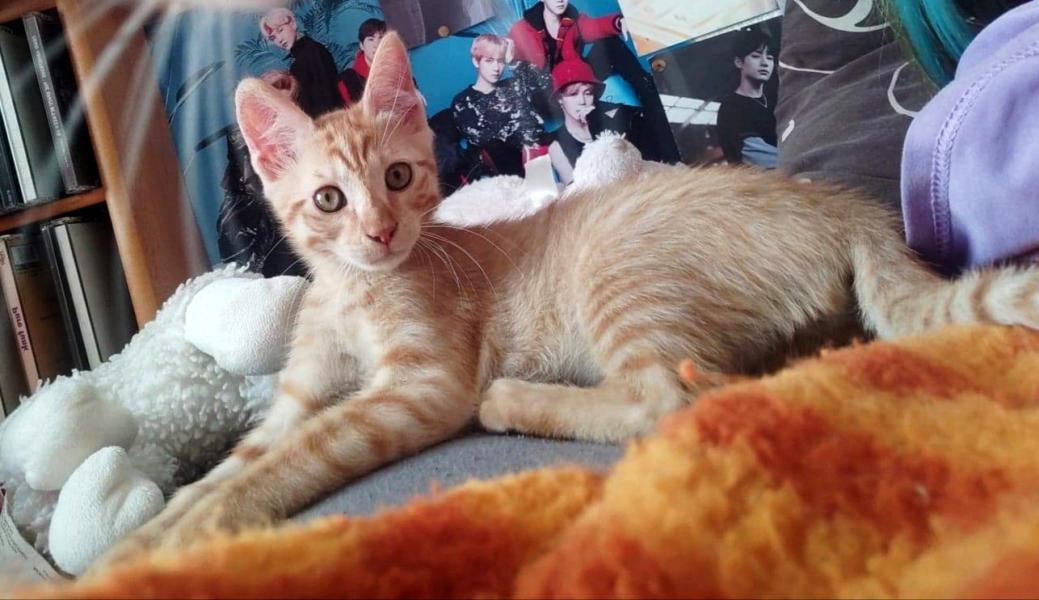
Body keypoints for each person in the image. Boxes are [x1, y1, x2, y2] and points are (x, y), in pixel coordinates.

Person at [508, 0, 679, 163]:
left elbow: (595, 26)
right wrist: (508, 57)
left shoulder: (573, 18)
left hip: (576, 75)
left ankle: (645, 85)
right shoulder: (523, 29)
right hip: (550, 88)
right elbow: (507, 50)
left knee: (609, 42)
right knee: (520, 86)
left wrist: (618, 22)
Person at [217, 70, 306, 278]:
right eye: (274, 89)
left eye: (284, 88)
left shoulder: (303, 132)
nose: (281, 95)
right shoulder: (244, 143)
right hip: (259, 221)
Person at [450, 34, 551, 176]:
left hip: (539, 154)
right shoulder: (462, 101)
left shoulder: (515, 85)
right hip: (506, 167)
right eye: (489, 61)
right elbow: (483, 138)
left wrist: (513, 61)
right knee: (495, 147)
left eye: (501, 61)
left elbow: (546, 83)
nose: (496, 68)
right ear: (476, 62)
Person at [260, 7, 342, 118]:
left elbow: (327, 95)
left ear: (293, 23)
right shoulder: (302, 58)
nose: (279, 40)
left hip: (326, 121)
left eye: (280, 30)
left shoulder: (313, 51)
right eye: (273, 38)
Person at [715, 28, 778, 168]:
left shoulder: (774, 100)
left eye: (770, 58)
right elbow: (757, 156)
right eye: (756, 56)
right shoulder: (731, 108)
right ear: (739, 62)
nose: (765, 63)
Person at [338, 18, 386, 105]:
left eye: (381, 38)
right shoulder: (347, 81)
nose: (377, 45)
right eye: (371, 39)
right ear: (362, 45)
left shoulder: (399, 71)